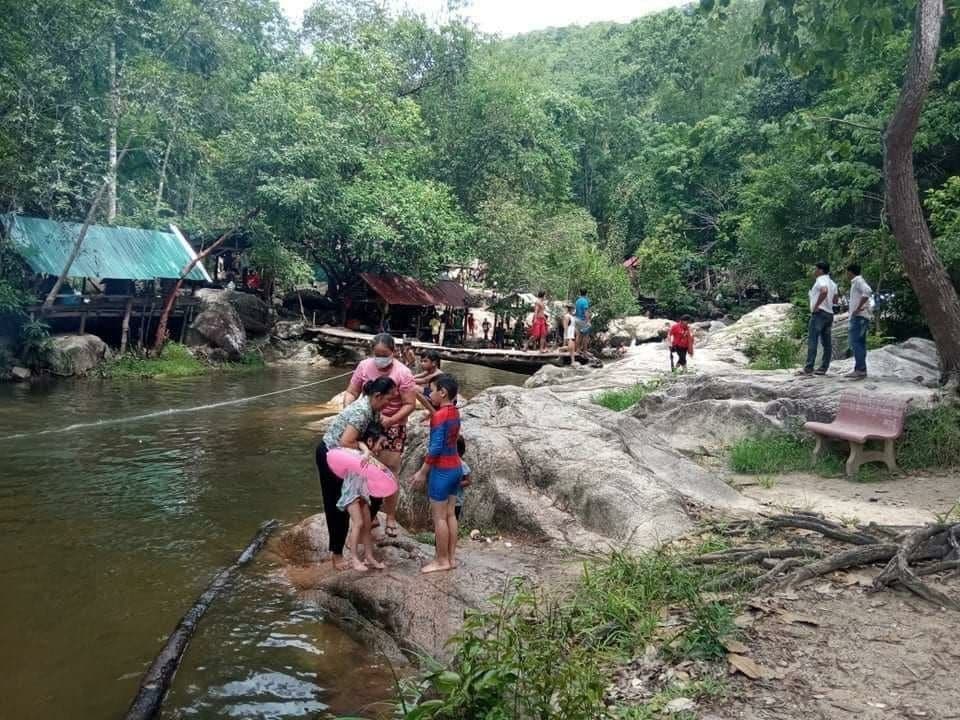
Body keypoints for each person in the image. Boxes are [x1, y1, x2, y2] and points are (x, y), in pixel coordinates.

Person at [316, 377, 398, 570]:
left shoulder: (375, 410)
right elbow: (346, 441)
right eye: (389, 399)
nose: (390, 403)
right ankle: (337, 554)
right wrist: (365, 449)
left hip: (354, 455)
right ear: (377, 396)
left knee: (373, 497)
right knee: (337, 504)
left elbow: (373, 434)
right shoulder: (361, 411)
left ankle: (362, 541)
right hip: (332, 454)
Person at [343, 334, 417, 537]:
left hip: (393, 425)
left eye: (385, 355)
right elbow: (351, 392)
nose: (380, 359)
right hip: (368, 424)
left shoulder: (403, 373)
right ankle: (372, 514)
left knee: (390, 471)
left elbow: (410, 404)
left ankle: (391, 515)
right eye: (377, 354)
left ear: (393, 352)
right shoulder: (364, 367)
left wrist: (391, 420)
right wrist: (350, 410)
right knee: (365, 471)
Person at [412, 374, 462, 573]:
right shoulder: (455, 412)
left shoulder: (439, 416)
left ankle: (441, 561)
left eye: (432, 390)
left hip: (442, 470)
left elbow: (435, 448)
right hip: (456, 467)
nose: (430, 394)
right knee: (450, 515)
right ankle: (450, 558)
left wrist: (422, 472)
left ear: (442, 393)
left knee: (439, 518)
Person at [336, 423, 390, 571]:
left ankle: (369, 557)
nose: (381, 448)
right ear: (371, 441)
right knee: (358, 523)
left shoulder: (370, 456)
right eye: (380, 444)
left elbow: (382, 469)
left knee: (367, 526)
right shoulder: (356, 451)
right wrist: (366, 451)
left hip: (362, 494)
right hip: (351, 493)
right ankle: (354, 558)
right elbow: (358, 442)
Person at [799, 261, 839, 376]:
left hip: (819, 314)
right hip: (829, 314)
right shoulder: (833, 283)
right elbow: (835, 300)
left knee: (813, 340)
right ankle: (823, 368)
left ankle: (809, 367)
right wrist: (827, 303)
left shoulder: (821, 279)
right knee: (827, 342)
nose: (814, 271)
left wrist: (817, 305)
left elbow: (824, 291)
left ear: (820, 270)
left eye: (815, 269)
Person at [846, 262, 873, 379]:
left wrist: (857, 308)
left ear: (850, 272)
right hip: (862, 316)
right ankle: (861, 369)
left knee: (856, 342)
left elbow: (867, 291)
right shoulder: (857, 281)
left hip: (859, 317)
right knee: (860, 343)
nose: (846, 275)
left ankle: (860, 369)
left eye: (846, 272)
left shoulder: (857, 281)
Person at [414, 349, 443, 415]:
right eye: (421, 361)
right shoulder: (429, 371)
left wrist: (405, 379)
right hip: (435, 394)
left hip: (441, 398)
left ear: (434, 363)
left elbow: (423, 380)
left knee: (414, 389)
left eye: (425, 361)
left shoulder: (437, 373)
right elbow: (417, 376)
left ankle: (433, 412)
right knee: (416, 387)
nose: (422, 363)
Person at [454, 436, 472, 521]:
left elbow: (468, 481)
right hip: (445, 499)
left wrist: (457, 484)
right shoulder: (445, 462)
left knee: (453, 518)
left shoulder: (462, 465)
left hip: (456, 501)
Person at [574, 288, 592, 353]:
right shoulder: (585, 301)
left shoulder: (577, 301)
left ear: (580, 293)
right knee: (585, 336)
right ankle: (585, 351)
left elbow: (575, 311)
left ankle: (577, 350)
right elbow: (586, 312)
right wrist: (588, 321)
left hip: (576, 319)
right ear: (586, 293)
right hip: (583, 320)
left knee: (578, 335)